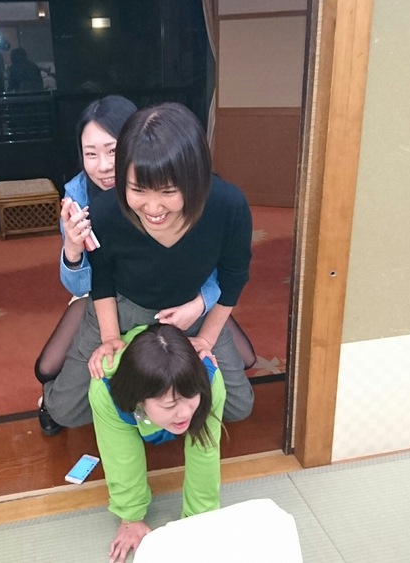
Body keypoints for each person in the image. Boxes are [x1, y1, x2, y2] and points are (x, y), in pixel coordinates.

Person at [35, 96, 254, 436]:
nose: (152, 208)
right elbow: (102, 278)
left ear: (194, 179)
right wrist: (110, 337)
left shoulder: (228, 205)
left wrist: (207, 337)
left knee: (238, 407)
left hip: (191, 308)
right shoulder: (105, 208)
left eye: (167, 192)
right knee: (65, 410)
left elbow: (234, 275)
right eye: (137, 189)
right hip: (122, 305)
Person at [90, 323, 224, 562]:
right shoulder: (105, 390)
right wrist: (131, 517)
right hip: (127, 322)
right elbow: (121, 458)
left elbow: (204, 453)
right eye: (170, 405)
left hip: (190, 321)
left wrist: (199, 522)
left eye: (190, 397)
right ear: (139, 401)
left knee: (242, 406)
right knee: (64, 410)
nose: (185, 412)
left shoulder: (209, 379)